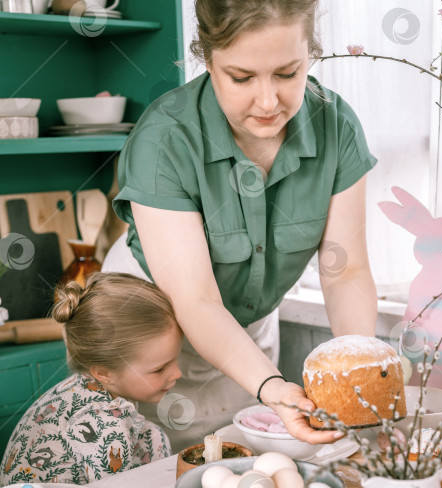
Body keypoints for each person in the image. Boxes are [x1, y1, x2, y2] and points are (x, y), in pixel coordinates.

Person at [103, 0, 378, 453]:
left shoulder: (337, 127)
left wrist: (359, 369)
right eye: (242, 77)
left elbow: (344, 271)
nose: (268, 101)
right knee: (164, 475)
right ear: (207, 60)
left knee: (246, 465)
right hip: (152, 339)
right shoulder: (164, 139)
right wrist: (271, 385)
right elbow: (196, 301)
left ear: (310, 52)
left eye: (288, 73)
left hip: (247, 333)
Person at [0, 273, 182, 485]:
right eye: (159, 369)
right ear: (104, 373)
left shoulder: (80, 387)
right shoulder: (104, 424)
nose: (177, 373)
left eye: (175, 359)